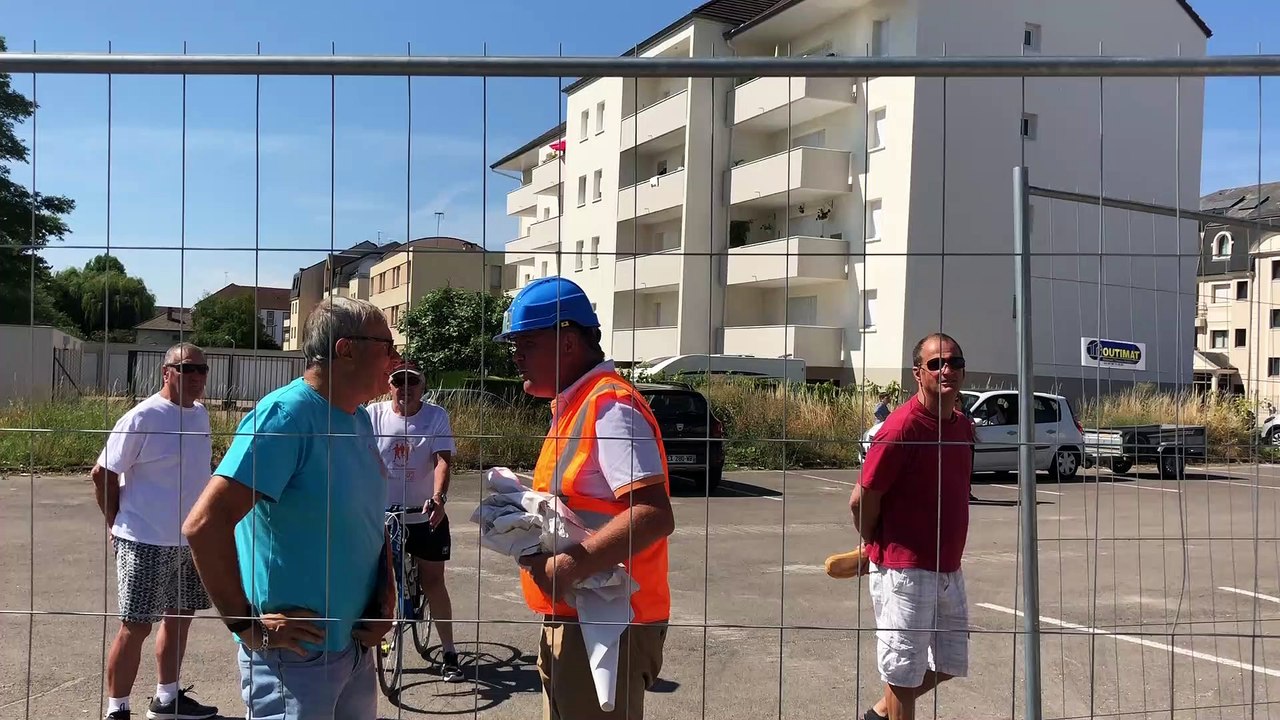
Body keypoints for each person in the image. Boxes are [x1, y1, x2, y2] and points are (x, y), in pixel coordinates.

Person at [182, 297, 398, 720]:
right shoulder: (285, 417)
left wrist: (385, 595)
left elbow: (372, 518)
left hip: (353, 645)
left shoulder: (359, 419)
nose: (395, 358)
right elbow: (204, 526)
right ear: (346, 349)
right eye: (386, 346)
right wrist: (248, 627)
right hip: (295, 660)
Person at [494, 275, 676, 720]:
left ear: (568, 341)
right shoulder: (576, 403)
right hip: (585, 615)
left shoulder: (611, 406)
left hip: (607, 623)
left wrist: (569, 566)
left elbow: (653, 514)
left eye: (527, 343)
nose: (516, 356)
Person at [849, 332, 975, 720]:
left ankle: (877, 715)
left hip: (948, 567)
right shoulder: (901, 428)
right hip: (904, 570)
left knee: (951, 661)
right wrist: (875, 546)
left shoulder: (963, 427)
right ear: (918, 373)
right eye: (936, 364)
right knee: (903, 675)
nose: (946, 369)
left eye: (953, 362)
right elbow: (860, 498)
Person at [91, 341, 219, 720]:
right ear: (167, 373)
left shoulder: (200, 415)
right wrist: (114, 522)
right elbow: (103, 473)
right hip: (144, 540)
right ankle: (118, 709)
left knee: (180, 618)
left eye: (201, 370)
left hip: (187, 541)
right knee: (136, 626)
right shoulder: (143, 417)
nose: (196, 377)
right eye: (187, 369)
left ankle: (167, 699)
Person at [367, 358, 464, 682]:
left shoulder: (435, 416)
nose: (404, 388)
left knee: (433, 581)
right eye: (398, 381)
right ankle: (372, 642)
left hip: (423, 514)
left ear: (423, 386)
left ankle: (449, 651)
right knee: (376, 581)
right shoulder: (372, 415)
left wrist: (438, 498)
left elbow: (442, 462)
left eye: (412, 382)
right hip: (382, 515)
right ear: (389, 384)